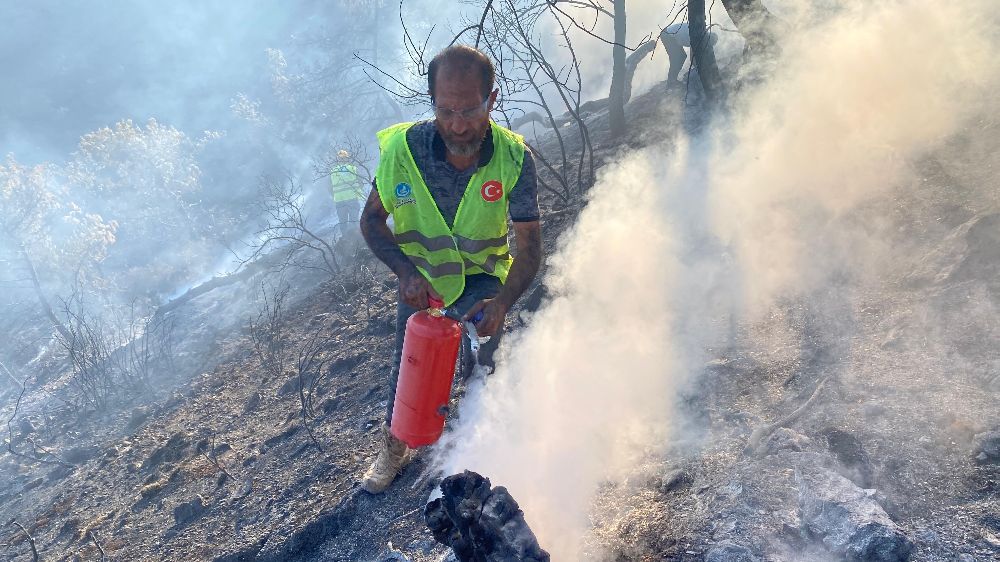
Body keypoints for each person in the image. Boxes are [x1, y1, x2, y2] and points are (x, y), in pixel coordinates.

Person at [358, 45, 543, 494]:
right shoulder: (404, 152)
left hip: (481, 279)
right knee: (411, 361)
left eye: (471, 109)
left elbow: (531, 247)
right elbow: (370, 221)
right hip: (422, 279)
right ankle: (396, 445)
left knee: (486, 361)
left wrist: (501, 302)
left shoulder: (513, 160)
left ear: (492, 100)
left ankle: (479, 446)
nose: (458, 125)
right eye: (445, 110)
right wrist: (404, 272)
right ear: (431, 100)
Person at [659, 22, 719, 87]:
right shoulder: (696, 38)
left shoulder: (701, 34)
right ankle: (671, 82)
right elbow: (692, 59)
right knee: (677, 58)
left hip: (670, 34)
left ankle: (672, 80)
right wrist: (701, 71)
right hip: (667, 35)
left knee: (681, 56)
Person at [329, 150, 366, 238]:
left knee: (343, 222)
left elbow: (329, 187)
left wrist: (336, 196)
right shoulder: (352, 168)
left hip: (339, 201)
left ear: (338, 159)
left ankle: (346, 240)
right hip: (352, 198)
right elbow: (361, 182)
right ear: (347, 158)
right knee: (354, 221)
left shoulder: (333, 171)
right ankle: (357, 239)